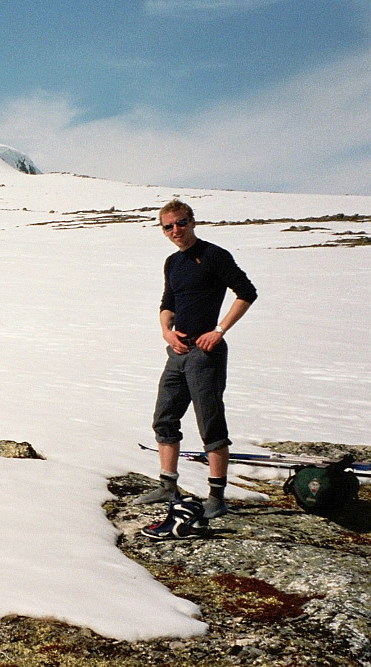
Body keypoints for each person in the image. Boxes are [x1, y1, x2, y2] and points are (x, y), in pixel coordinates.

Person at [138, 200, 257, 534]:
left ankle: (216, 497)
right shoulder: (172, 262)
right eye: (168, 226)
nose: (176, 231)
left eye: (181, 223)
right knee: (164, 417)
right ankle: (168, 485)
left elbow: (246, 292)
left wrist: (218, 331)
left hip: (206, 355)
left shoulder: (214, 255)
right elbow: (168, 303)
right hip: (177, 351)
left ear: (192, 221)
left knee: (210, 422)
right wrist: (166, 331)